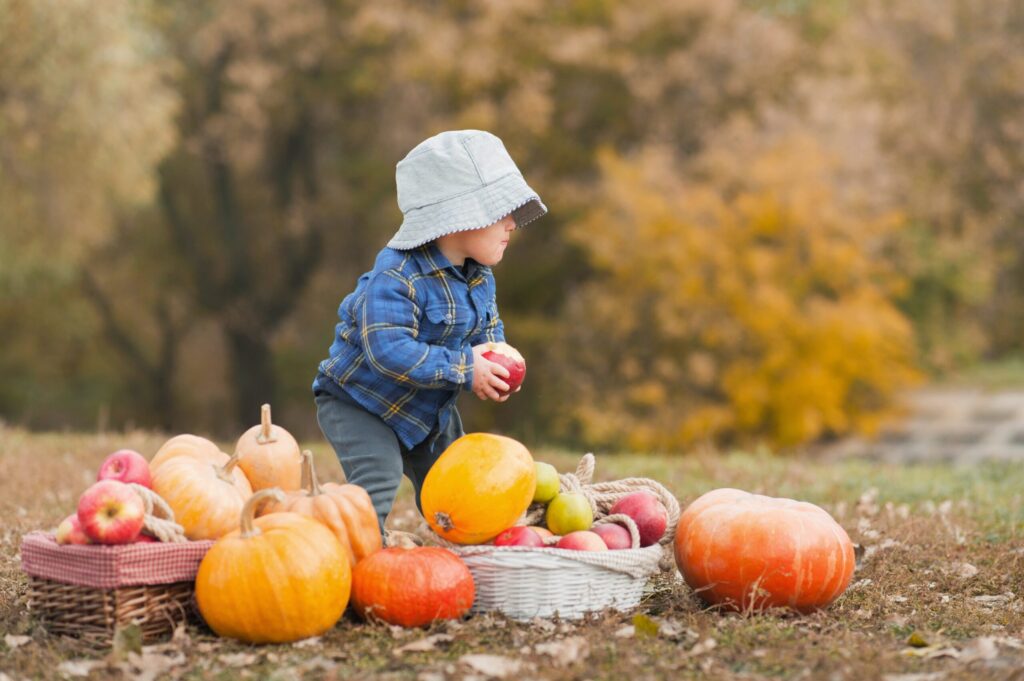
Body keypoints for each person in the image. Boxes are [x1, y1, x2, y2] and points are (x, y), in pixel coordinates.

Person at [312, 130, 547, 533]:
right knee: (378, 482)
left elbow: (486, 329)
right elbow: (387, 349)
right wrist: (464, 368)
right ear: (458, 218)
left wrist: (496, 358)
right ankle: (357, 562)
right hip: (361, 404)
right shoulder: (396, 275)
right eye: (501, 211)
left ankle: (468, 552)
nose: (512, 222)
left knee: (459, 484)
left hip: (426, 408)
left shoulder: (479, 274)